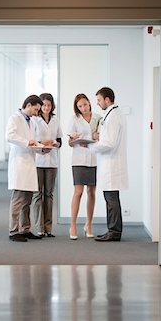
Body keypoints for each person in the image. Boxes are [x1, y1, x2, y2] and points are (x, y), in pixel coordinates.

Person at [6, 94, 48, 242]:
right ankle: (13, 231)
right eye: (36, 110)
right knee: (18, 199)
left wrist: (43, 148)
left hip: (29, 163)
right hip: (19, 163)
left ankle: (25, 229)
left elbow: (32, 142)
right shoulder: (14, 118)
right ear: (29, 105)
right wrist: (27, 142)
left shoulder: (31, 121)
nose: (37, 113)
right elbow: (10, 136)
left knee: (27, 200)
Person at [91, 87, 128, 242]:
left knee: (111, 199)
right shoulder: (112, 114)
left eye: (99, 100)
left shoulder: (113, 116)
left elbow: (110, 143)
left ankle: (114, 232)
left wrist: (92, 146)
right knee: (110, 199)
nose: (98, 103)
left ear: (107, 99)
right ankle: (112, 230)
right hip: (109, 163)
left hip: (112, 164)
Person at [68, 93, 101, 240]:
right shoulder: (74, 119)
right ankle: (73, 225)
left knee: (92, 192)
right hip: (79, 159)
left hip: (94, 158)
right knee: (78, 192)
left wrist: (96, 138)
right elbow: (69, 143)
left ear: (89, 103)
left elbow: (101, 137)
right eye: (80, 106)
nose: (83, 108)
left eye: (85, 104)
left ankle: (89, 224)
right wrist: (74, 139)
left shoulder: (98, 118)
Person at [32, 93, 62, 237]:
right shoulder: (35, 120)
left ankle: (48, 228)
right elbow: (31, 140)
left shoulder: (56, 120)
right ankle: (39, 228)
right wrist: (43, 144)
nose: (46, 108)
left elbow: (60, 140)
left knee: (49, 195)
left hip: (52, 161)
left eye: (49, 105)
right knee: (38, 195)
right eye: (44, 105)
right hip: (38, 161)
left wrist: (55, 143)